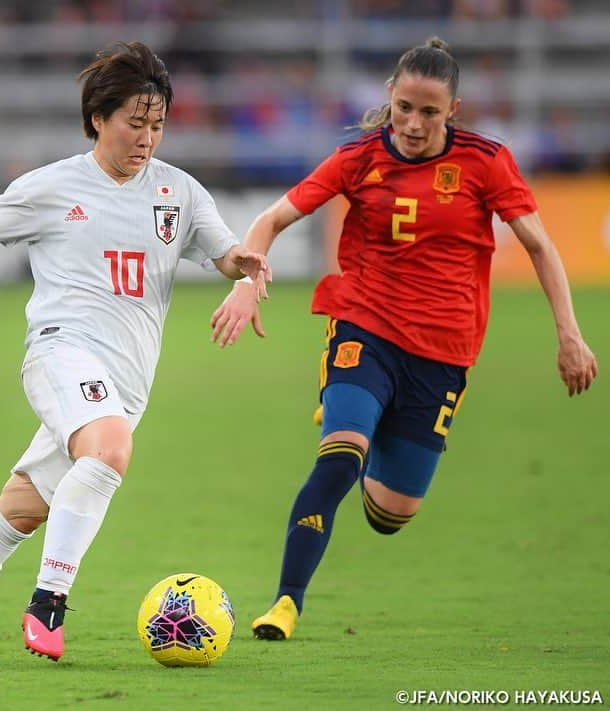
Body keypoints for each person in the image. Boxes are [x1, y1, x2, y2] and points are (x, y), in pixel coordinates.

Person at [0, 41, 269, 663]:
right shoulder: (53, 186)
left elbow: (229, 256)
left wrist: (246, 279)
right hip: (60, 354)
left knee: (21, 511)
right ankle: (50, 600)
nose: (146, 138)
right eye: (134, 123)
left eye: (157, 125)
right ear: (98, 119)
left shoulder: (181, 193)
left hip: (125, 383)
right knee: (111, 449)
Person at [209, 37, 598, 641]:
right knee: (339, 456)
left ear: (453, 111)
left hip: (443, 353)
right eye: (404, 109)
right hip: (365, 325)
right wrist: (244, 277)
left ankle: (368, 422)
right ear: (389, 98)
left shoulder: (486, 162)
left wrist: (569, 335)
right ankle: (286, 602)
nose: (414, 125)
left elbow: (540, 247)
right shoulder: (357, 157)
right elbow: (273, 218)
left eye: (430, 113)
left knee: (391, 514)